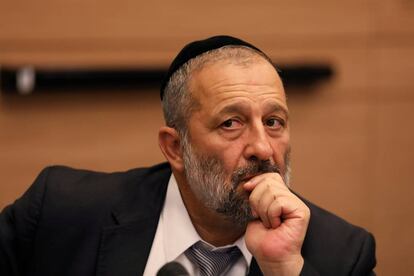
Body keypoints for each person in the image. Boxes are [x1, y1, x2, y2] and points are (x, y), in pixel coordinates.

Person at [0, 35, 376, 276]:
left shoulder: (340, 254)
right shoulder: (62, 212)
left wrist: (284, 267)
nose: (263, 148)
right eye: (231, 123)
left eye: (274, 122)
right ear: (175, 148)